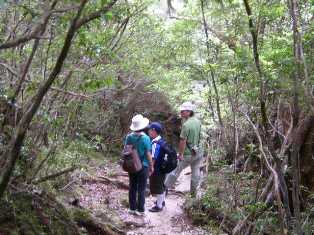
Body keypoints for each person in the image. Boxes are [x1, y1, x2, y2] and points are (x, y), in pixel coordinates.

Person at [164, 101, 202, 197]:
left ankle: (164, 188)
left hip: (188, 154)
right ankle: (193, 194)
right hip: (198, 151)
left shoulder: (186, 125)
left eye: (183, 111)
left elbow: (182, 141)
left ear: (189, 112)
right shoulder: (198, 121)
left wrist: (180, 154)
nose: (181, 113)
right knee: (195, 172)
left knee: (176, 171)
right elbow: (200, 136)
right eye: (181, 111)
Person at [125, 114, 154, 216]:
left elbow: (127, 150)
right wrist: (151, 166)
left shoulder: (129, 137)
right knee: (141, 188)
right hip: (143, 166)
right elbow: (148, 154)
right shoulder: (146, 138)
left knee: (132, 186)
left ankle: (132, 208)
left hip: (132, 166)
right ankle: (140, 210)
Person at [148, 122, 166, 212]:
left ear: (154, 131)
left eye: (150, 130)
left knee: (158, 187)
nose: (149, 131)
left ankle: (158, 206)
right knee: (162, 185)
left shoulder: (155, 143)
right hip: (163, 167)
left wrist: (151, 168)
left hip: (157, 168)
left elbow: (153, 157)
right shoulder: (162, 141)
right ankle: (162, 201)